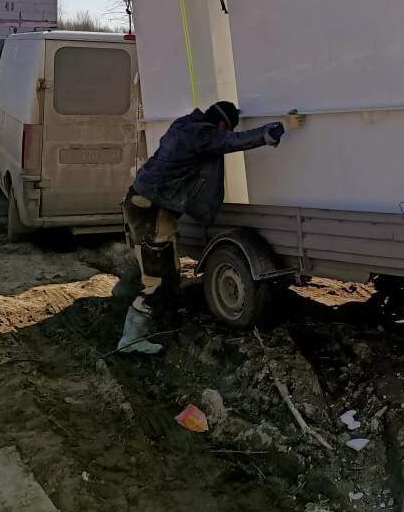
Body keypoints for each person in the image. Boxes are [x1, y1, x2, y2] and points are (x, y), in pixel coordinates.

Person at [118, 101, 292, 353]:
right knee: (159, 279)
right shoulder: (199, 134)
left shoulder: (185, 125)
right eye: (226, 128)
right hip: (152, 209)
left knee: (166, 270)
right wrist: (275, 130)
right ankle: (130, 339)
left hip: (146, 203)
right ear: (221, 124)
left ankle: (151, 311)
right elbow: (232, 142)